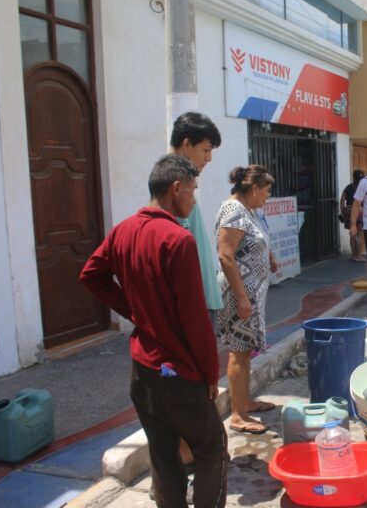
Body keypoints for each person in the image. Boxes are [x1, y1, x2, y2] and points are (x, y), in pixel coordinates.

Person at [80, 155, 228, 507]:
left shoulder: (123, 231)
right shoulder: (177, 240)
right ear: (175, 188)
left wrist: (132, 310)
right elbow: (195, 321)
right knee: (211, 449)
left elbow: (91, 275)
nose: (193, 199)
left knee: (163, 459)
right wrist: (210, 372)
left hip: (142, 372)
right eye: (192, 190)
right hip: (179, 374)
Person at [215, 165, 277, 435]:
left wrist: (269, 258)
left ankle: (246, 402)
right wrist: (241, 297)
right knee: (238, 352)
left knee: (246, 350)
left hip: (251, 293)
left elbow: (253, 242)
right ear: (254, 189)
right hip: (238, 293)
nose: (268, 196)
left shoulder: (248, 210)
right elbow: (226, 256)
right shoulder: (233, 211)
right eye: (267, 191)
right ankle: (238, 415)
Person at [170, 112, 223, 325]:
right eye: (206, 150)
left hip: (202, 298)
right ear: (186, 144)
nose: (209, 158)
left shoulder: (184, 181)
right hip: (194, 304)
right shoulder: (175, 185)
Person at [339, 169, 367, 262]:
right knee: (360, 234)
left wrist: (343, 210)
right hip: (360, 212)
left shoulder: (348, 187)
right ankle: (358, 255)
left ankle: (353, 255)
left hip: (348, 212)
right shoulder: (363, 188)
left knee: (352, 234)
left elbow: (342, 200)